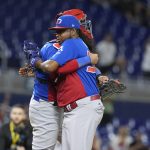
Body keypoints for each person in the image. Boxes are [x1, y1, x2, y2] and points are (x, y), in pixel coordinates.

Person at [19, 9, 100, 150]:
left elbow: (68, 69)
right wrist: (88, 59)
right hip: (46, 104)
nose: (58, 34)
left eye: (62, 31)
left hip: (63, 106)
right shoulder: (58, 46)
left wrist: (98, 75)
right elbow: (55, 70)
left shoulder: (75, 45)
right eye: (58, 31)